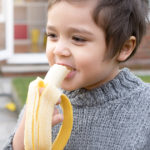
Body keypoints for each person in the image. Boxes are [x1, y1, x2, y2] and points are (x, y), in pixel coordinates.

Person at [3, 0, 150, 149]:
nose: (59, 50)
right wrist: (27, 129)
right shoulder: (41, 100)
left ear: (124, 48)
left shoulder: (145, 107)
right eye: (52, 35)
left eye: (78, 39)